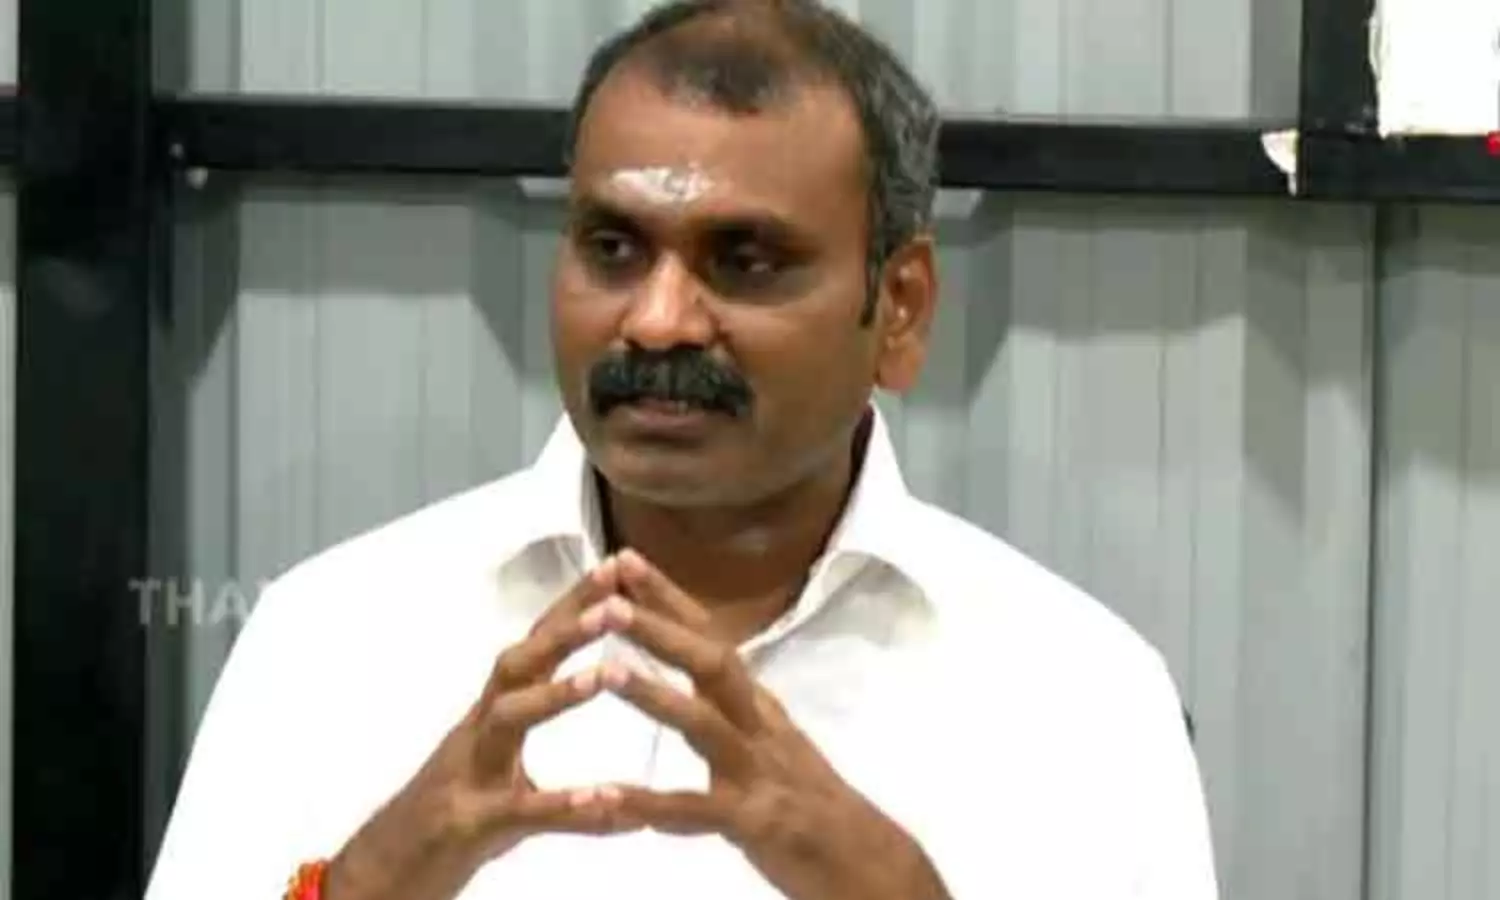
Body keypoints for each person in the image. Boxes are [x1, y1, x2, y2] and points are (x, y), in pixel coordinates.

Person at [144, 1, 1220, 898]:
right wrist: (368, 881)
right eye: (613, 248)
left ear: (898, 307)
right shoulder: (338, 638)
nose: (657, 321)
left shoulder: (1079, 697)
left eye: (745, 260)